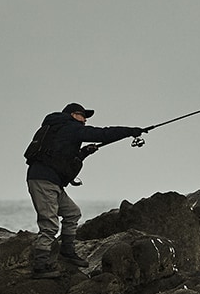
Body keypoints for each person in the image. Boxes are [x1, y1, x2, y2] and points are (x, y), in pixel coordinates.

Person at [25, 103, 145, 275]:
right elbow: (102, 133)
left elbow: (60, 157)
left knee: (72, 212)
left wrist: (84, 152)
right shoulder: (70, 127)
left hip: (49, 180)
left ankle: (67, 251)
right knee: (49, 224)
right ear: (73, 115)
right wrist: (130, 131)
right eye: (83, 116)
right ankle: (41, 266)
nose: (85, 120)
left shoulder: (57, 128)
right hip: (44, 181)